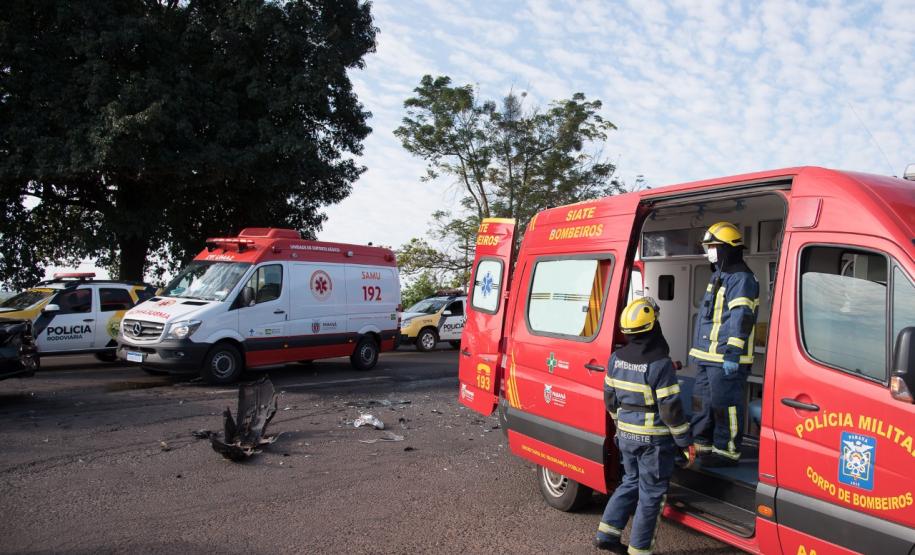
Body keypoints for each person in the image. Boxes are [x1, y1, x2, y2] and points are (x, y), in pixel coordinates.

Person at [595, 298, 695, 554]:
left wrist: (620, 426)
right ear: (653, 327)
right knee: (651, 495)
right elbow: (671, 411)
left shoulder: (615, 359)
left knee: (630, 482)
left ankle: (607, 534)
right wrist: (685, 442)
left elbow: (609, 398)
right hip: (654, 441)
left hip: (626, 435)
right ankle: (639, 550)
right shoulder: (660, 364)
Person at [688, 222, 760, 467]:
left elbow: (742, 315)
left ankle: (726, 451)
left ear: (728, 248)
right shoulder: (719, 274)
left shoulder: (741, 278)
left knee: (725, 406)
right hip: (707, 356)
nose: (709, 251)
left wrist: (733, 351)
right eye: (708, 247)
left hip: (725, 358)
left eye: (713, 247)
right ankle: (702, 444)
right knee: (702, 403)